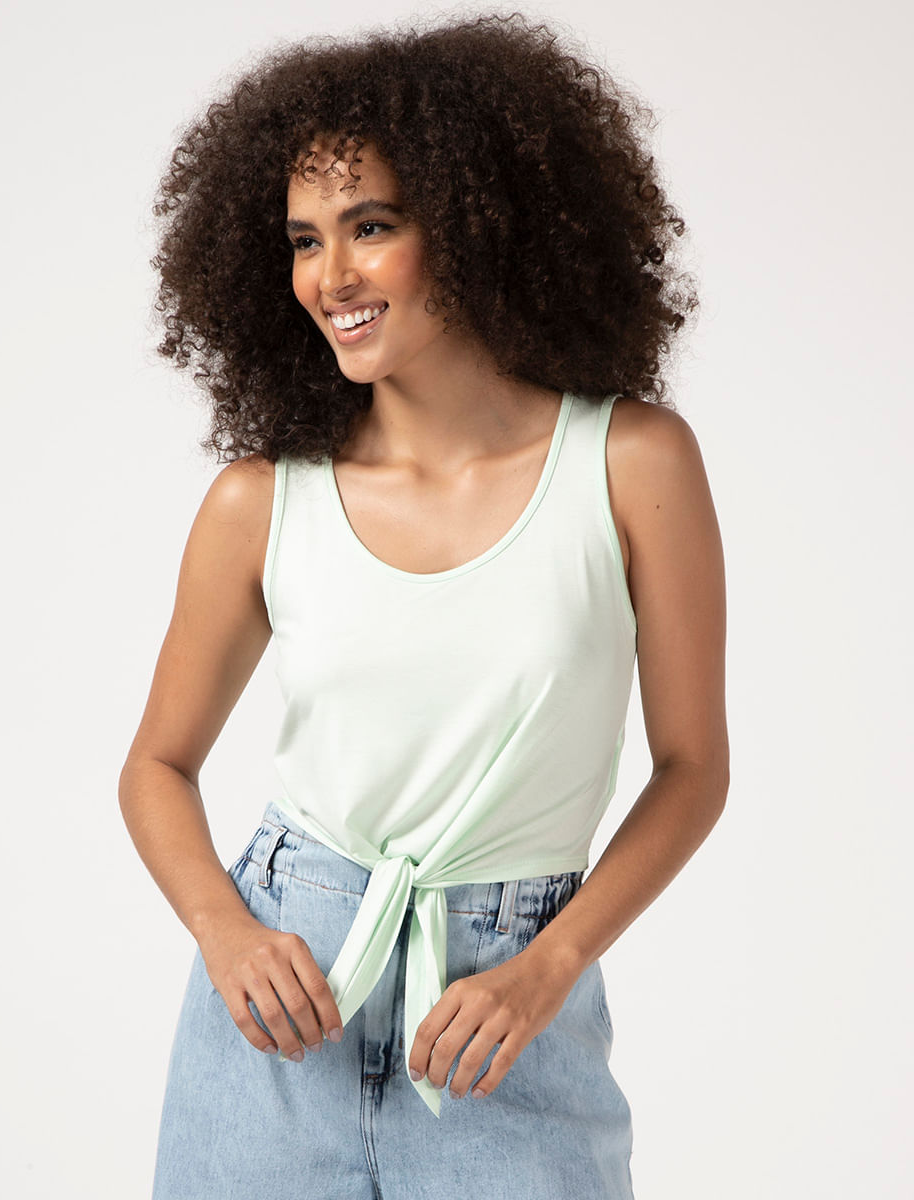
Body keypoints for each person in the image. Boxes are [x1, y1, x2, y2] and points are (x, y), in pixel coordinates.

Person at [118, 12, 728, 1198]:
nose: (329, 277)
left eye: (371, 226)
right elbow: (156, 765)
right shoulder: (262, 501)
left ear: (478, 222)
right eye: (304, 240)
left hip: (505, 1022)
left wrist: (548, 967)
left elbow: (692, 767)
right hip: (277, 1020)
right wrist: (227, 934)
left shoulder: (630, 464)